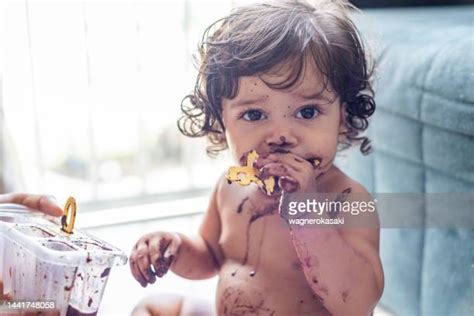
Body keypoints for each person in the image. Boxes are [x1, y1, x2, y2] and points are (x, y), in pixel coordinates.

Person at [129, 0, 384, 315]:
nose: (280, 135)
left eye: (307, 111)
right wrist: (175, 248)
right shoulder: (230, 187)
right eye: (254, 114)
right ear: (222, 122)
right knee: (156, 307)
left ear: (343, 118)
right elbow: (210, 256)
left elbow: (358, 302)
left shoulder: (347, 200)